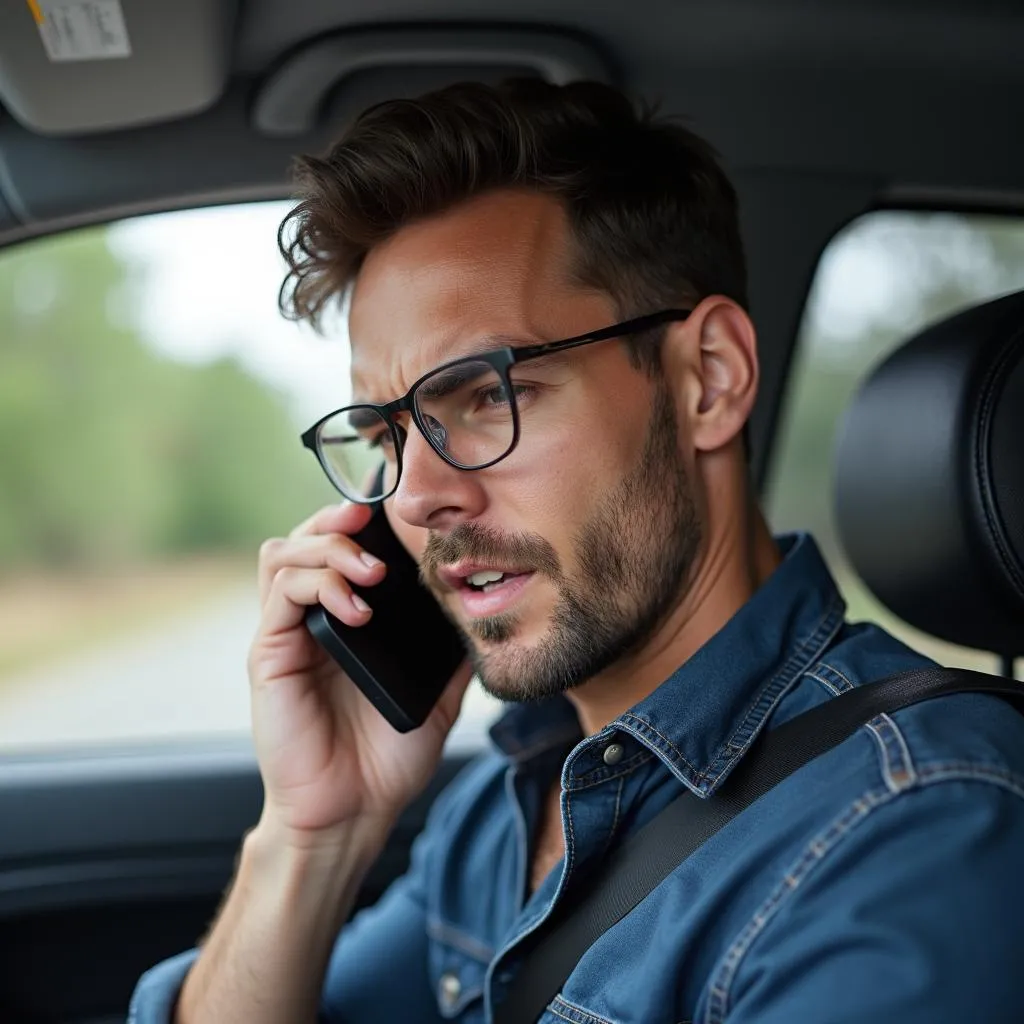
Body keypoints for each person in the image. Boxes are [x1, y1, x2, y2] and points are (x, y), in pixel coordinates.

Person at [129, 79, 1024, 1024]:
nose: (420, 497)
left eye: (484, 396)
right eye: (389, 436)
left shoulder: (916, 826)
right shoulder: (502, 804)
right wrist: (315, 837)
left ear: (709, 380)